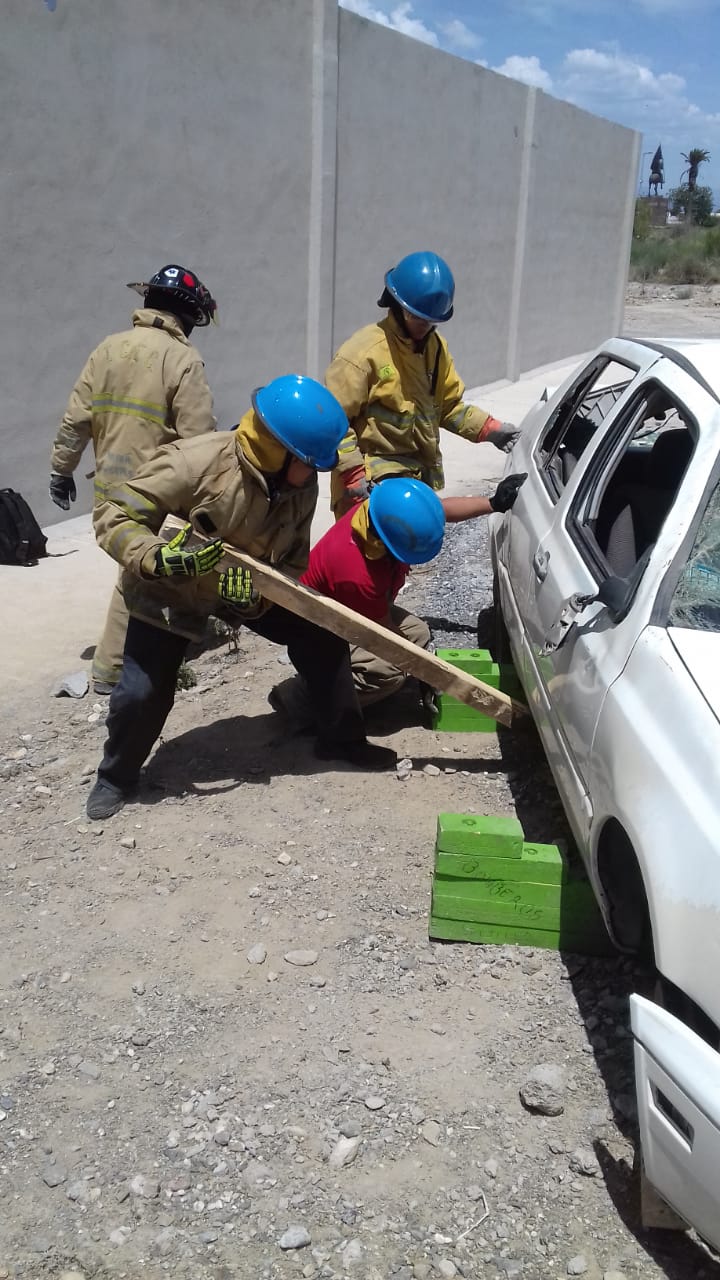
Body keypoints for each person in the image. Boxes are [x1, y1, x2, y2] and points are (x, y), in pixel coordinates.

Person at [85, 374, 398, 822]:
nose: (314, 474)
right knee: (141, 692)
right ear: (278, 450)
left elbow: (293, 563)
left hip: (247, 587)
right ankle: (116, 776)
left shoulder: (299, 486)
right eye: (309, 463)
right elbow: (114, 514)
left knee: (322, 635)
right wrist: (155, 557)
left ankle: (342, 739)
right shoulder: (194, 463)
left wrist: (254, 603)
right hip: (173, 586)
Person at [49, 264, 218, 694]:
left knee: (143, 569)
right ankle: (111, 673)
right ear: (187, 314)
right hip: (155, 492)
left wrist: (61, 470)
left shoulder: (107, 349)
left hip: (110, 489)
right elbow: (198, 439)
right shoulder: (182, 359)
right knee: (139, 574)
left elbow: (76, 419)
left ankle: (167, 643)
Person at [269, 472, 526, 722]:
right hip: (319, 627)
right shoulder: (358, 573)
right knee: (387, 671)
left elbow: (439, 511)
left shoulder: (381, 514)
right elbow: (389, 639)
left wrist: (493, 503)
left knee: (418, 633)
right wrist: (428, 673)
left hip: (350, 606)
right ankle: (299, 700)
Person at [325, 250, 521, 519]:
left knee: (412, 540)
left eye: (431, 321)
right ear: (396, 305)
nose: (424, 326)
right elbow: (332, 422)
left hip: (413, 480)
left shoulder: (436, 350)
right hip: (365, 488)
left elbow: (448, 408)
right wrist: (352, 474)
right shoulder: (362, 353)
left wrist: (490, 430)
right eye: (416, 317)